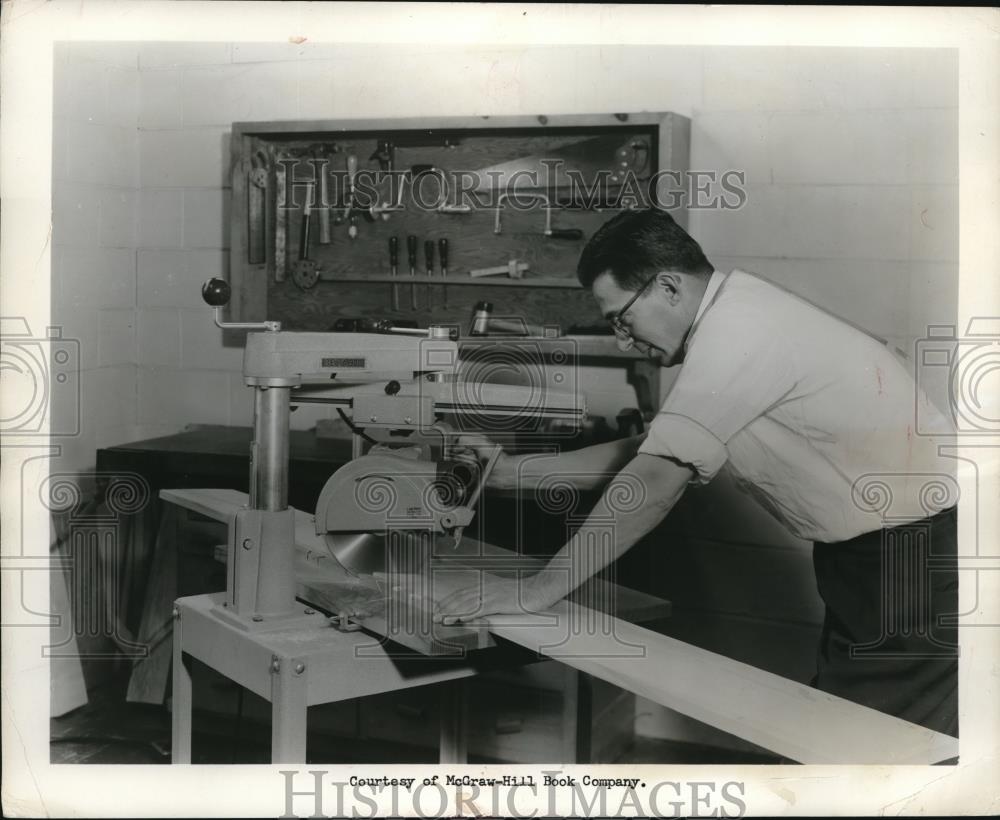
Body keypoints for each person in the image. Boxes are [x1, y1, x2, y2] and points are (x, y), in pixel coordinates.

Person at [434, 207, 958, 737]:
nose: (621, 338)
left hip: (908, 562)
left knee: (868, 752)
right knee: (862, 742)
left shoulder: (740, 331)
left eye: (621, 317)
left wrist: (535, 591)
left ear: (668, 287)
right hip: (882, 559)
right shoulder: (737, 315)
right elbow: (652, 450)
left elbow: (656, 481)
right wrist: (508, 473)